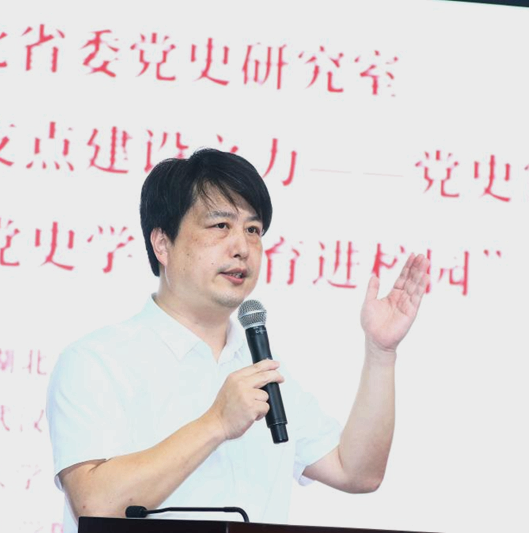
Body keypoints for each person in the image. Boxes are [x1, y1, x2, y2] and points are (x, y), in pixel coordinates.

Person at [46, 148, 430, 532]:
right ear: (162, 244)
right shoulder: (98, 361)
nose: (242, 248)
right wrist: (216, 423)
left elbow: (356, 471)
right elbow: (94, 504)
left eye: (253, 230)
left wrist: (381, 352)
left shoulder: (261, 368)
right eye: (220, 226)